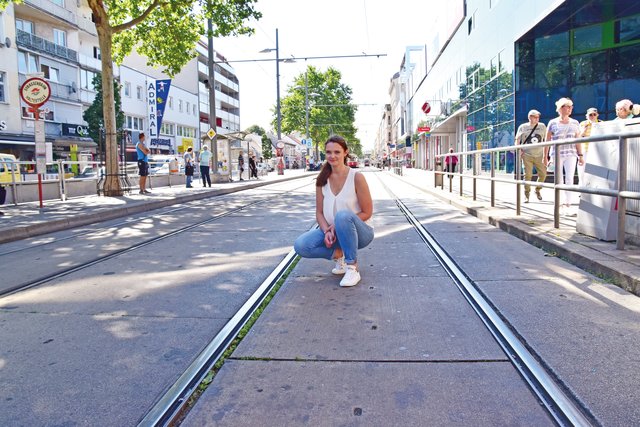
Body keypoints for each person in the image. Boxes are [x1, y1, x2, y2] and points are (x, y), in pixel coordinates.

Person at [293, 135, 374, 287]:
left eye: (337, 152)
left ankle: (352, 268)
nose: (332, 156)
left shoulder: (357, 177)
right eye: (329, 152)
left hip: (360, 233)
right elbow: (319, 213)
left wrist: (336, 225)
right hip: (333, 231)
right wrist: (326, 231)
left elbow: (367, 212)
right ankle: (338, 255)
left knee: (342, 216)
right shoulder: (321, 179)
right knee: (301, 245)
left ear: (345, 152)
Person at [546, 98, 583, 215]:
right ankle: (560, 203)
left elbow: (578, 140)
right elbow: (546, 141)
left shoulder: (575, 123)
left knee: (570, 178)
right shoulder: (552, 122)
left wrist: (580, 155)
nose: (571, 109)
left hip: (571, 154)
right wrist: (544, 157)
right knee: (559, 178)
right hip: (556, 154)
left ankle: (568, 203)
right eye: (568, 106)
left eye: (571, 107)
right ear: (561, 108)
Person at [515, 109, 547, 202]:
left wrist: (546, 154)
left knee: (543, 174)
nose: (537, 119)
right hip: (527, 154)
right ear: (530, 117)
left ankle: (537, 190)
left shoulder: (542, 126)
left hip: (540, 154)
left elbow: (546, 139)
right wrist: (519, 149)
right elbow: (517, 139)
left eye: (538, 117)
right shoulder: (523, 127)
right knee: (527, 175)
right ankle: (526, 194)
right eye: (535, 117)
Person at [578, 107, 601, 186]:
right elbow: (578, 138)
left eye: (594, 114)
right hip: (585, 150)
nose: (592, 116)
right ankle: (581, 189)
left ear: (597, 115)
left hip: (597, 150)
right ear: (587, 116)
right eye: (590, 115)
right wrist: (583, 131)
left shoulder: (601, 123)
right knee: (582, 170)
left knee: (596, 172)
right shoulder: (583, 124)